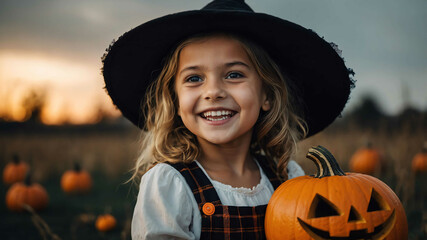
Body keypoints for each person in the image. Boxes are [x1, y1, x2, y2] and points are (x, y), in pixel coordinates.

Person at [102, 0, 354, 239]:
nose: (213, 92)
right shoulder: (170, 184)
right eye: (194, 78)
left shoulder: (286, 177)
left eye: (234, 74)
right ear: (175, 102)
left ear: (266, 95)